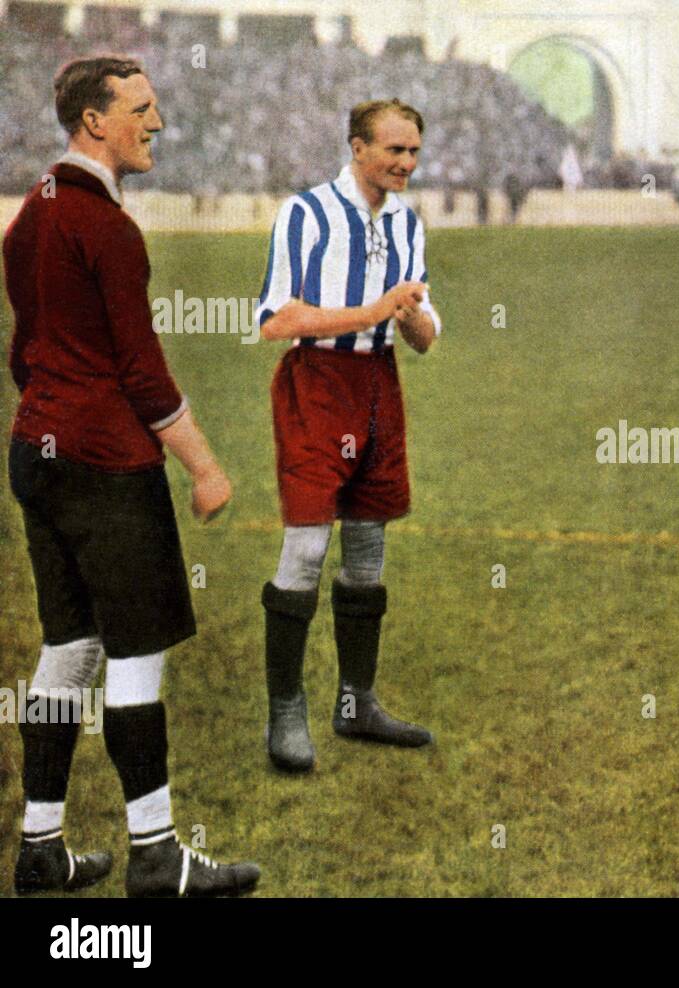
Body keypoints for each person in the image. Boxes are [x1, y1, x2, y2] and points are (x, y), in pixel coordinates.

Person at [5, 56, 259, 897]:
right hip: (107, 464)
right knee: (135, 652)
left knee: (67, 650)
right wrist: (208, 466)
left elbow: (23, 353)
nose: (156, 124)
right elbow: (143, 375)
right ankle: (155, 853)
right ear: (94, 122)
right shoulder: (108, 230)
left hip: (35, 453)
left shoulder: (29, 219)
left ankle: (40, 846)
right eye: (141, 111)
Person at [255, 98, 441, 774]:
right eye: (394, 150)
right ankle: (285, 712)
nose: (406, 163)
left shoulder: (408, 223)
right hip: (317, 385)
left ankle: (356, 701)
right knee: (306, 546)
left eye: (415, 151)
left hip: (379, 384)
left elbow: (422, 335)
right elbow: (276, 320)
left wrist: (415, 317)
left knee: (367, 547)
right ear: (357, 148)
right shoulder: (307, 214)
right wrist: (375, 308)